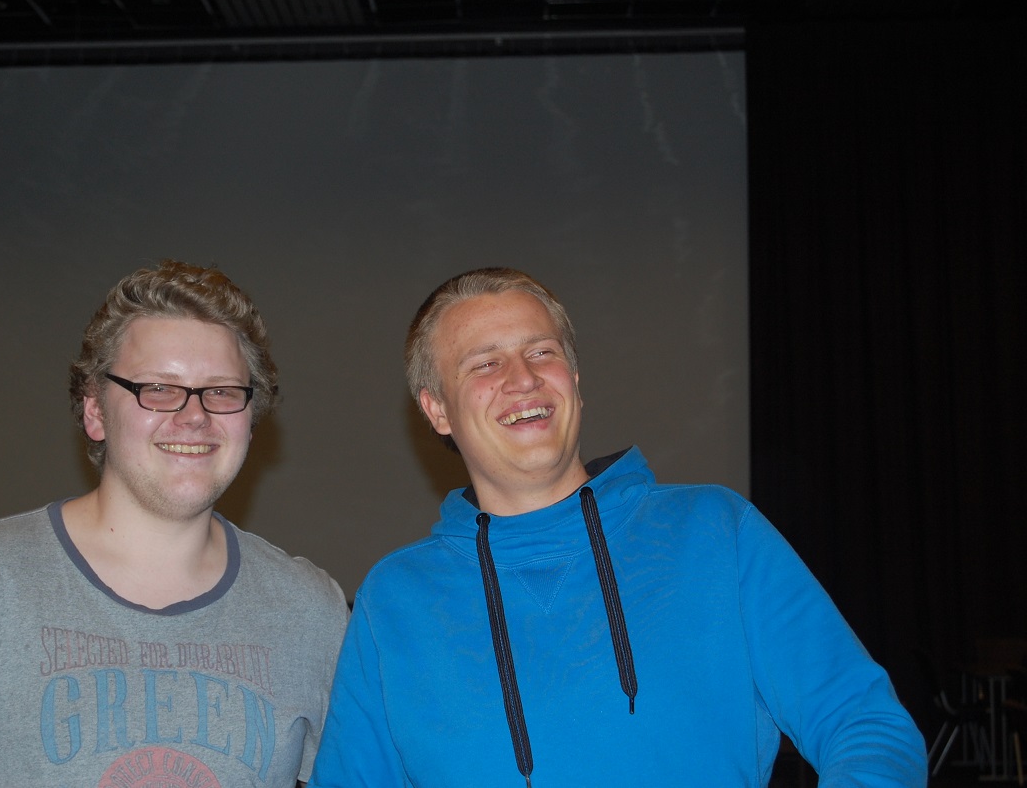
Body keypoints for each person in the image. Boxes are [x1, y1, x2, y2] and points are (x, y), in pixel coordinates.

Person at [309, 267, 926, 787]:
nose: (522, 378)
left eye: (542, 352)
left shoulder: (717, 532)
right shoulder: (394, 601)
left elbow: (865, 725)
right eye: (485, 363)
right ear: (437, 409)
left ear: (574, 381)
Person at [0, 261, 349, 787]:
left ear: (250, 421)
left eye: (222, 391)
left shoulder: (309, 612)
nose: (195, 415)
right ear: (95, 411)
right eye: (158, 388)